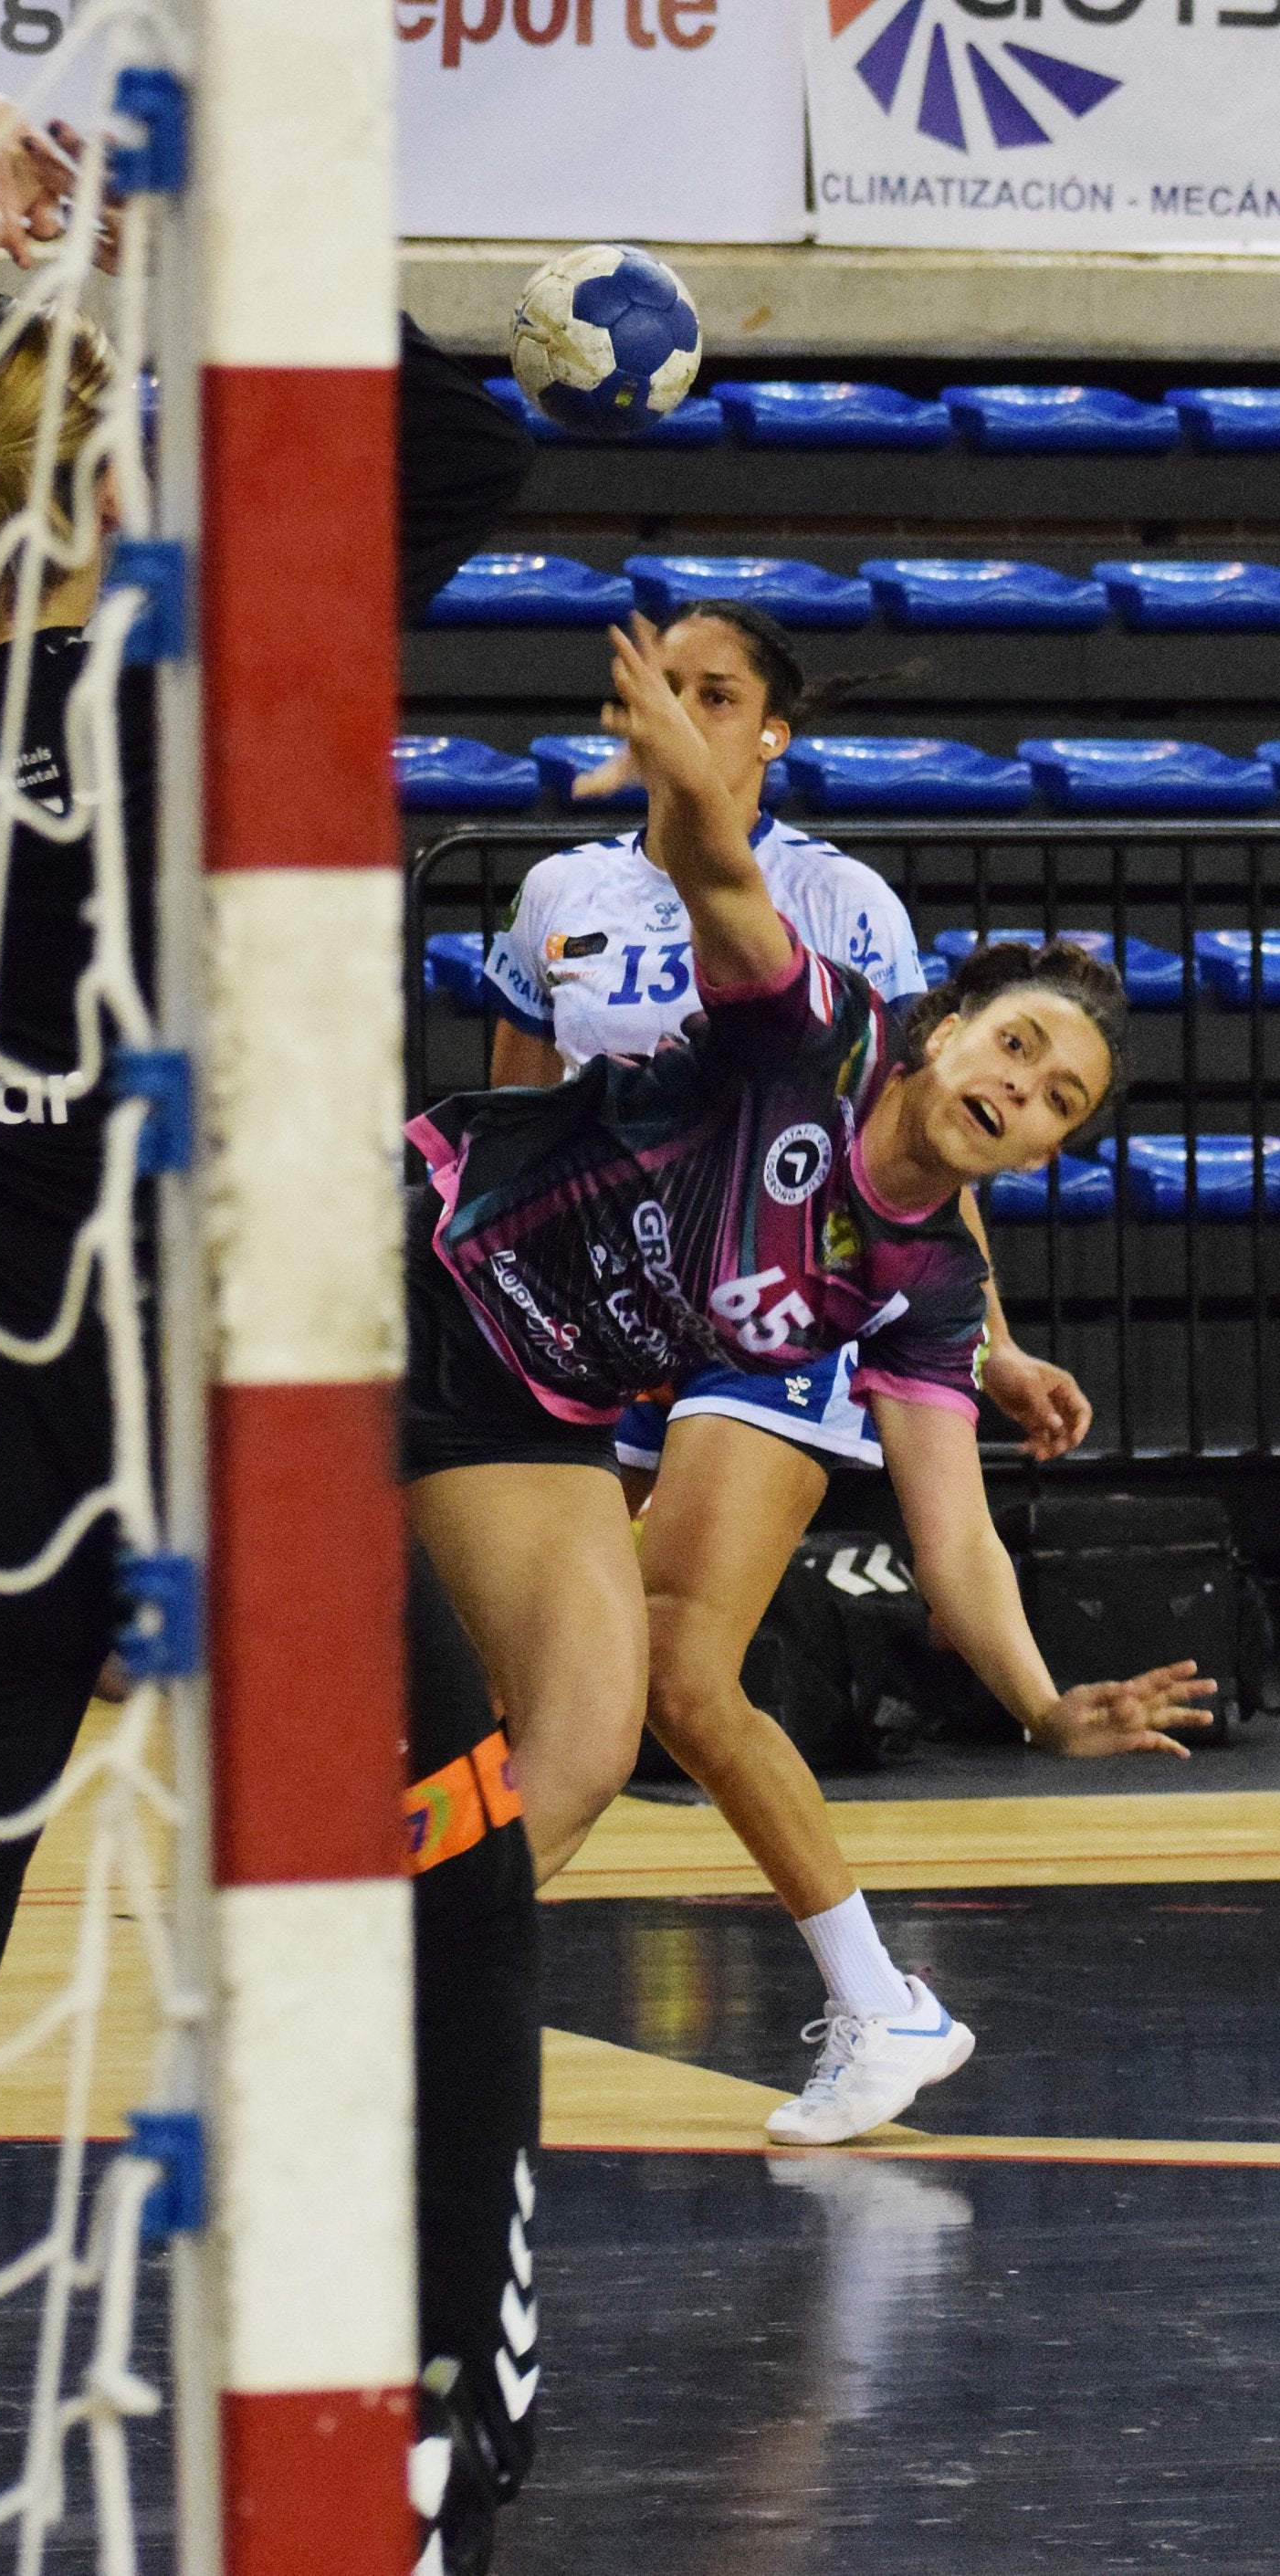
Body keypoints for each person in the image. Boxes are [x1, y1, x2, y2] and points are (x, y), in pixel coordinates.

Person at [0, 99, 535, 2571]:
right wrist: (191, 234)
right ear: (95, 498)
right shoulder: (185, 672)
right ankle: (444, 2427)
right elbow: (466, 435)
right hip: (191, 1418)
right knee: (449, 1864)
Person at [405, 613, 1214, 1946]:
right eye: (1015, 1045)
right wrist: (684, 779)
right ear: (942, 1035)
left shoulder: (922, 1277)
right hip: (441, 1262)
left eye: (1056, 1094)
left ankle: (370, 1959)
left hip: (577, 1374)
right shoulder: (807, 1019)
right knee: (415, 1651)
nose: (1020, 1085)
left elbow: (952, 1531)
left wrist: (1042, 1704)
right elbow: (713, 894)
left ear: (1049, 1148)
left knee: (595, 1728)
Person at [478, 599, 1096, 2142]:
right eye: (664, 685)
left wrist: (988, 1343)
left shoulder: (836, 900)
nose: (685, 708)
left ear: (774, 731)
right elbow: (515, 1114)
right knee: (593, 1679)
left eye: (721, 690)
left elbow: (919, 1147)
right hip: (602, 1306)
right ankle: (884, 2000)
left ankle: (417, 1966)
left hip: (780, 1308)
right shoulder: (561, 885)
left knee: (665, 1666)